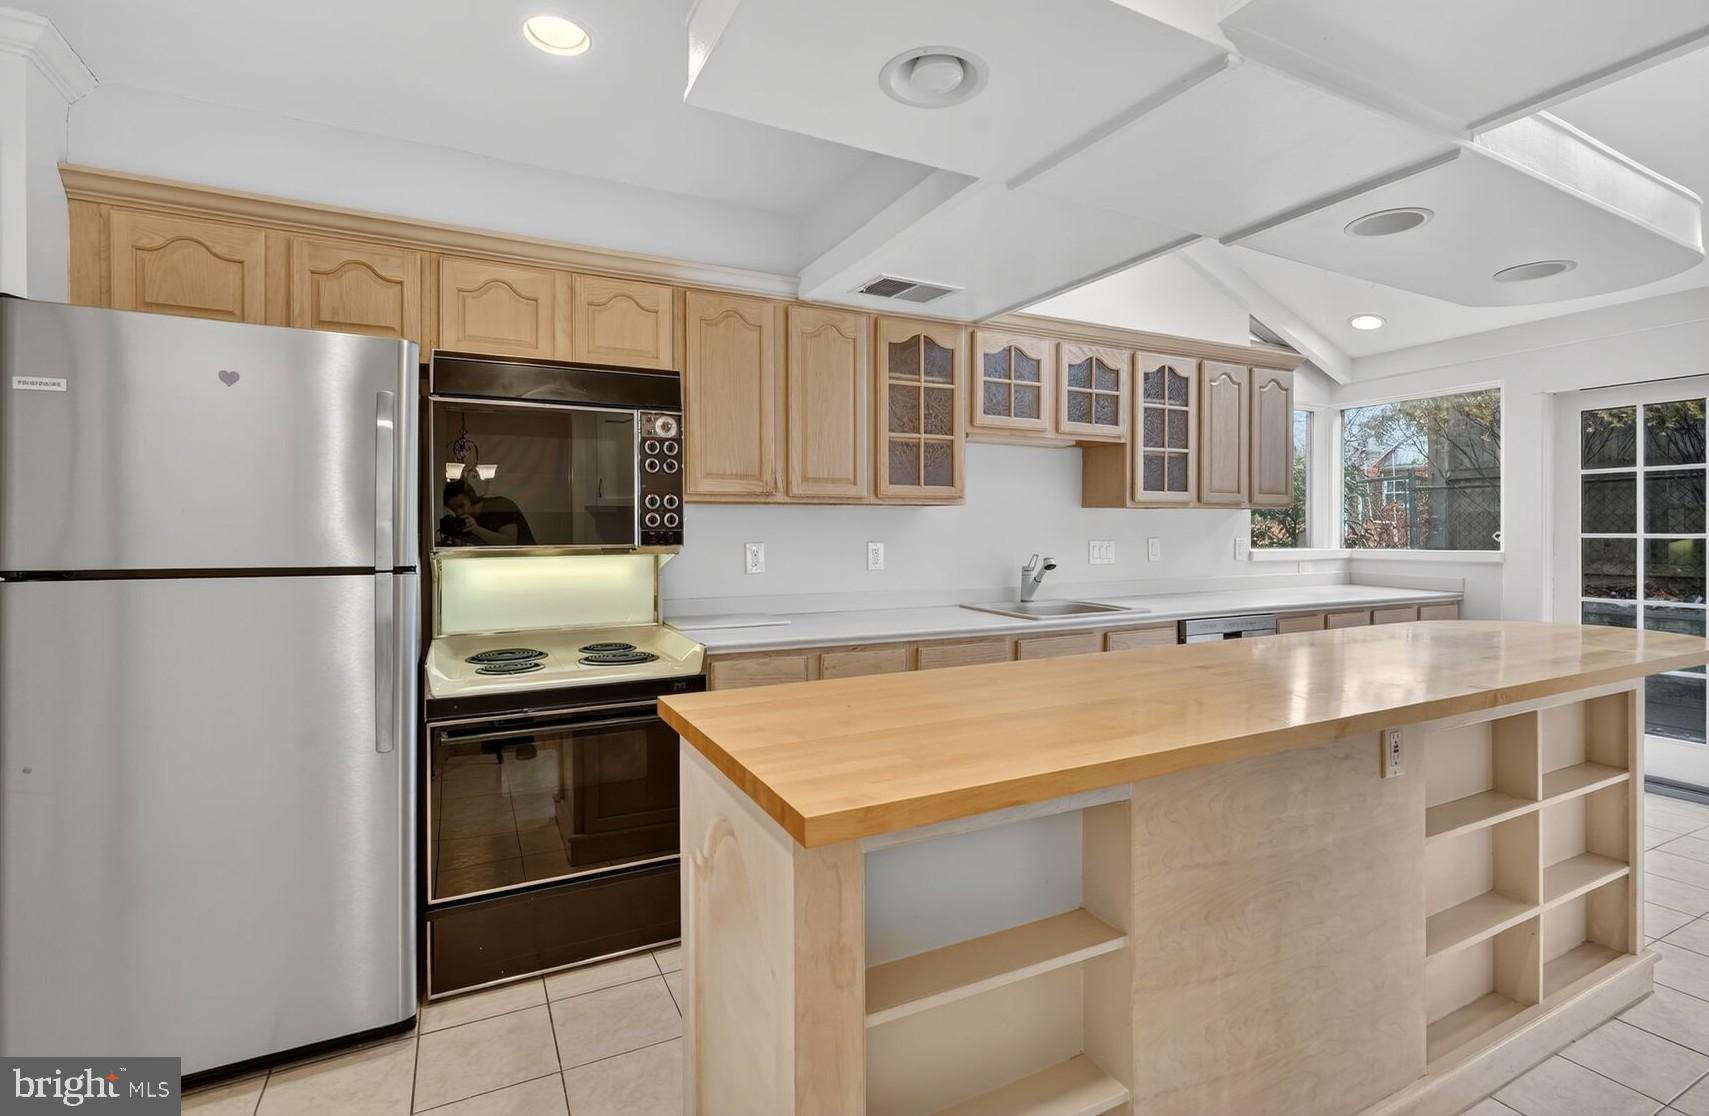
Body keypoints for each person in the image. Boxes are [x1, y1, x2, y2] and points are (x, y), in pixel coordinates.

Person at [442, 479, 536, 546]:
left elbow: (509, 542)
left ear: (472, 499)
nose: (459, 513)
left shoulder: (500, 506)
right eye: (454, 510)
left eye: (461, 506)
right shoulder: (467, 520)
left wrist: (476, 529)